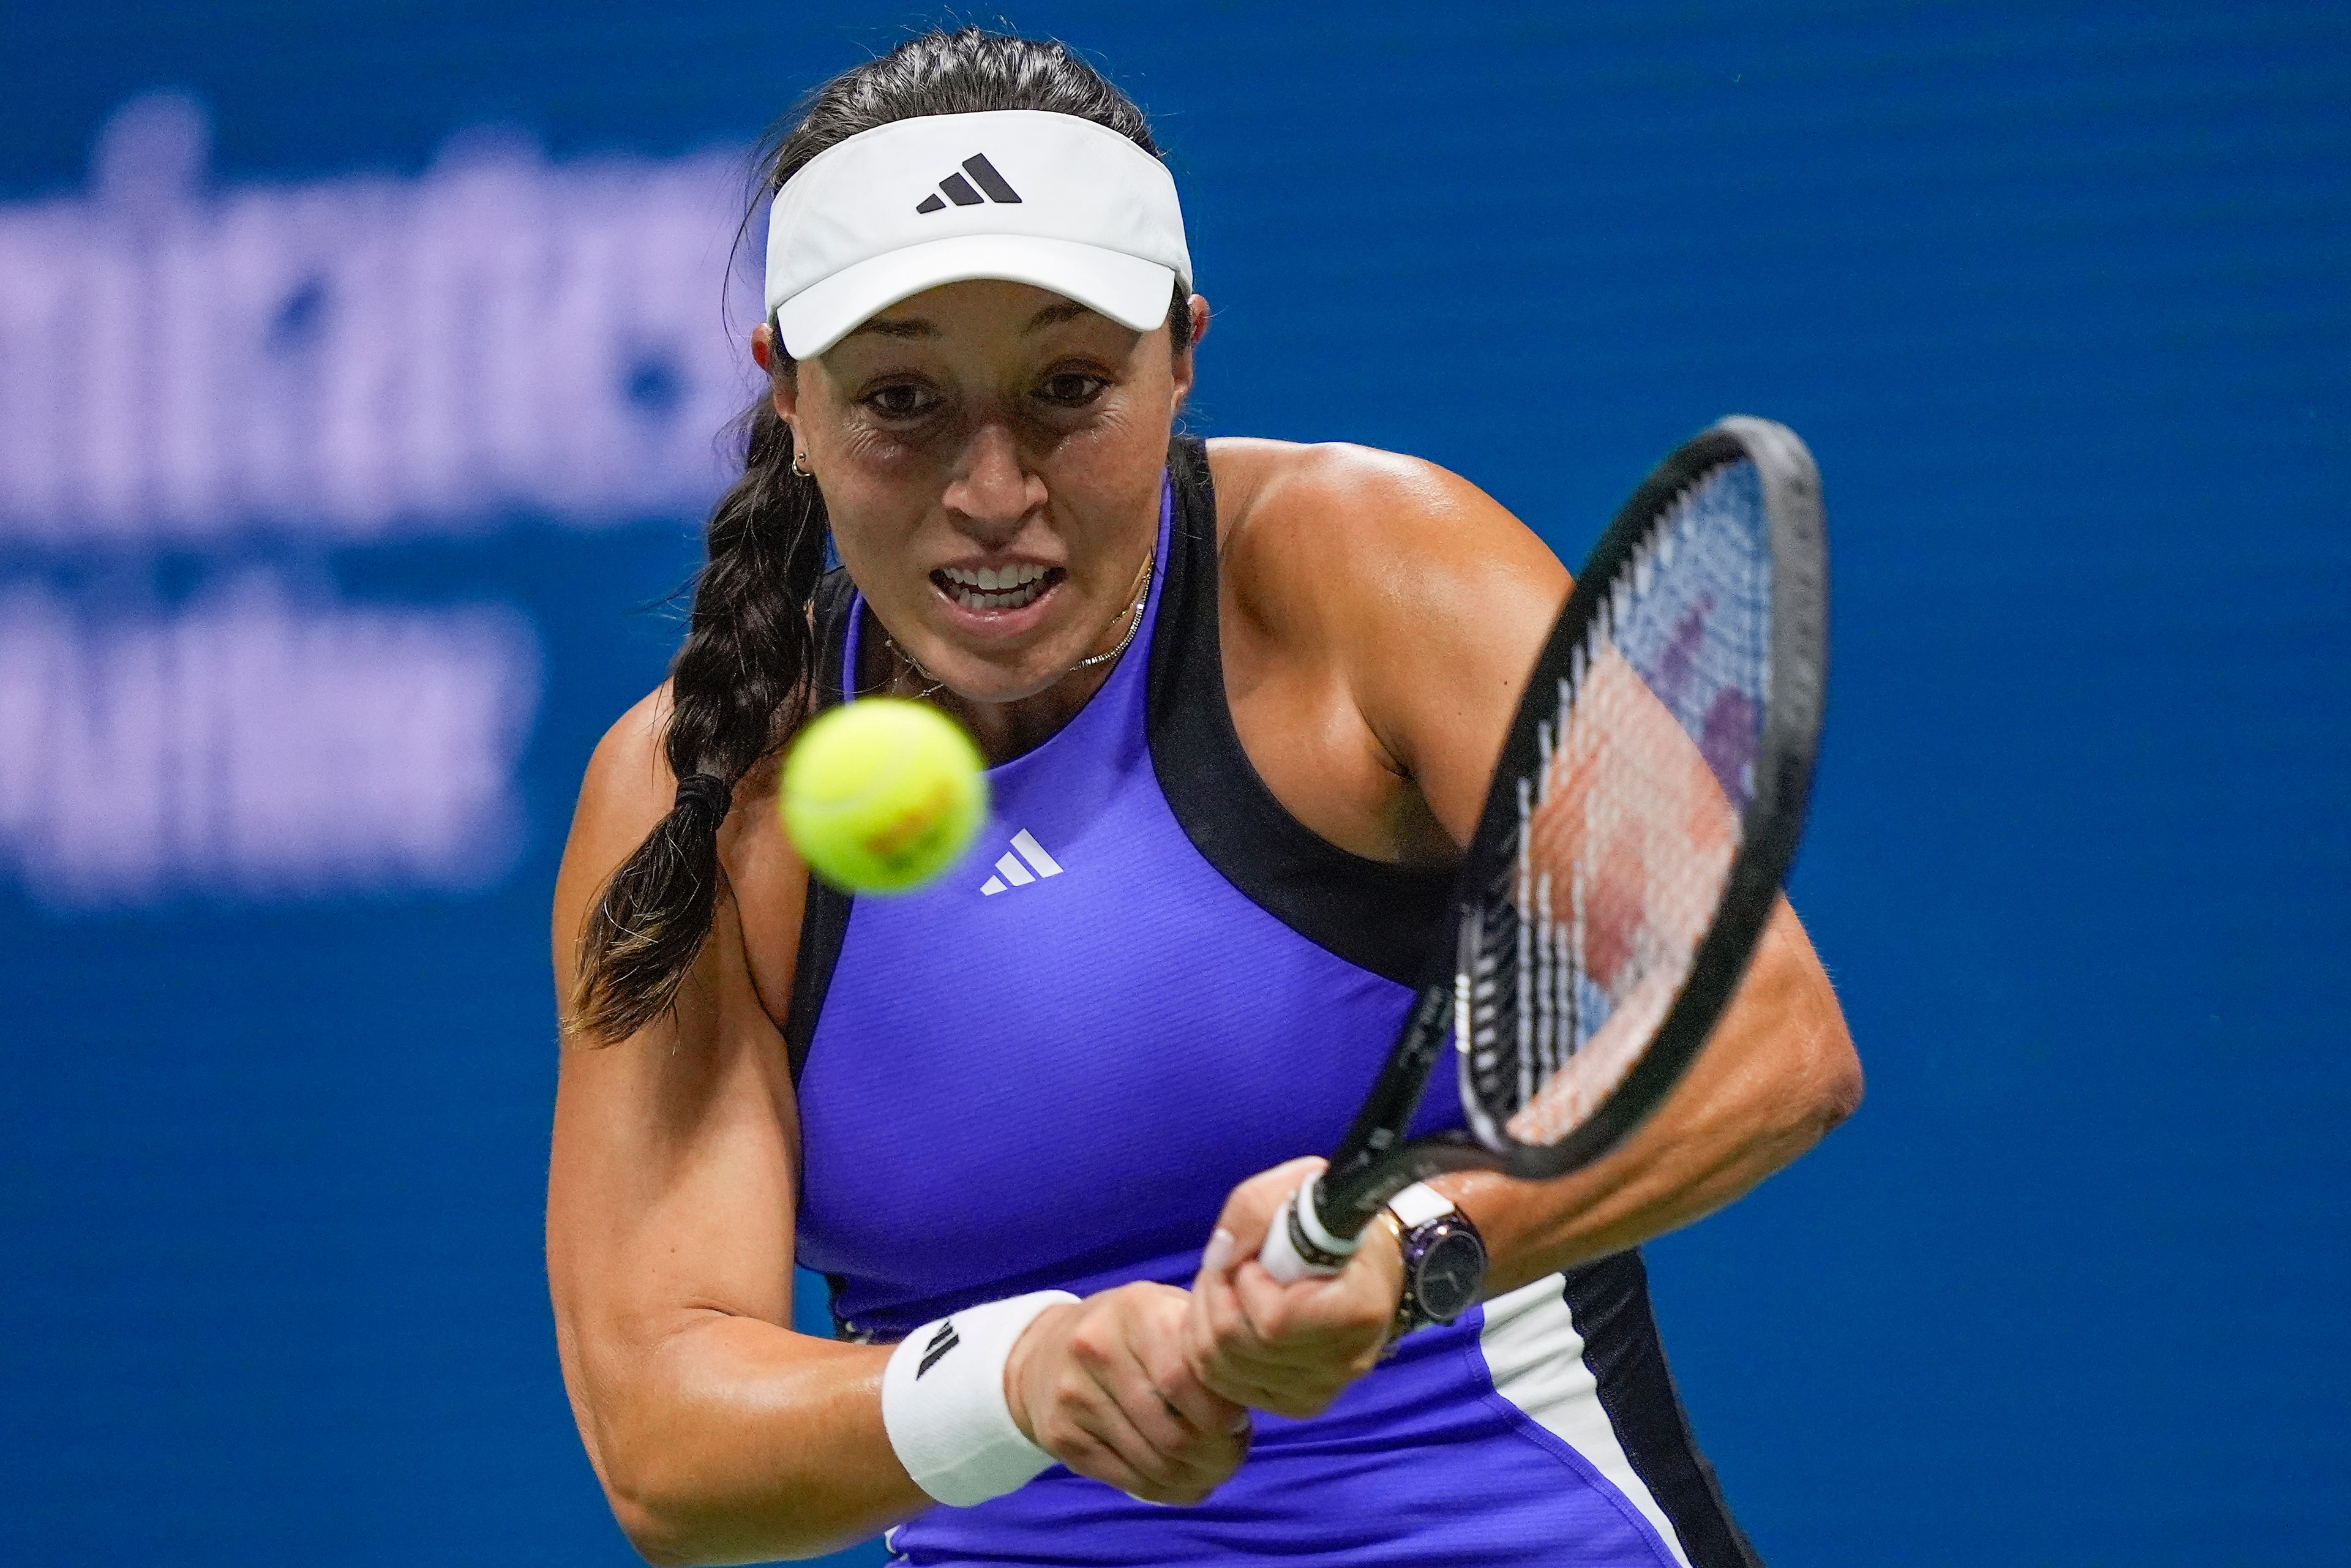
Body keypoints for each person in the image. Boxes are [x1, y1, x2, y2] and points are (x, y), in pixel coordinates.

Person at [547, 26, 1860, 1568]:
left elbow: (1769, 1038)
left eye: (1068, 386)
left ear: (1184, 354)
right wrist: (1016, 1381)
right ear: (790, 393)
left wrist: (1419, 1241)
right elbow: (666, 1442)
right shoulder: (690, 793)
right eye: (901, 397)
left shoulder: (1372, 571)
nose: (991, 489)